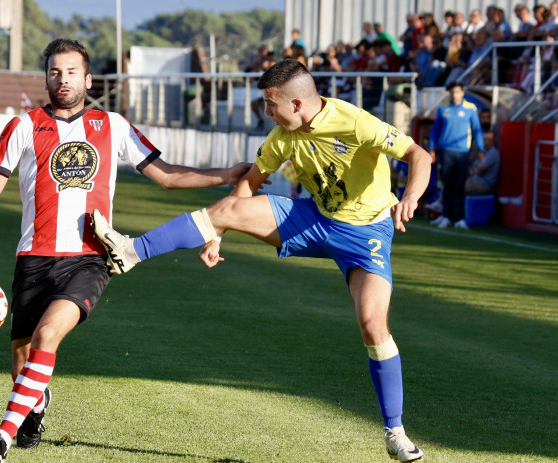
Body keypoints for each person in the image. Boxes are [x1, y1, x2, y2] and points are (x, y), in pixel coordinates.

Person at [93, 58, 431, 463]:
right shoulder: (281, 138)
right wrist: (217, 233)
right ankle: (130, 252)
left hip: (368, 236)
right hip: (315, 220)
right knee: (223, 209)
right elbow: (247, 185)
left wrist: (410, 196)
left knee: (373, 326)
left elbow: (419, 155)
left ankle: (395, 433)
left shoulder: (356, 122)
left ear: (299, 104)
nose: (266, 112)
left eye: (271, 104)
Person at [0, 39, 250, 463]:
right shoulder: (22, 126)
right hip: (32, 259)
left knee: (47, 336)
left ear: (88, 79)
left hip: (90, 258)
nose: (63, 79)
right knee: (22, 367)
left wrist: (226, 175)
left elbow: (166, 176)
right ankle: (35, 403)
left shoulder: (113, 125)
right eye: (55, 72)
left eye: (71, 72)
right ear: (47, 78)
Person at [428, 81, 484, 229]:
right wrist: (432, 148)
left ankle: (460, 218)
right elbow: (435, 130)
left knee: (460, 185)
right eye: (452, 92)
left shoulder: (471, 109)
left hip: (462, 152)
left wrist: (481, 150)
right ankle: (446, 216)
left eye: (457, 91)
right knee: (447, 184)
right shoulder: (443, 109)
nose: (455, 94)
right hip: (446, 151)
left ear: (462, 93)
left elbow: (477, 130)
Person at [465, 129, 500, 195]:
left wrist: (470, 172)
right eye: (485, 139)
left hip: (484, 183)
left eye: (489, 139)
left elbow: (480, 170)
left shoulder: (493, 153)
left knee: (458, 185)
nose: (486, 142)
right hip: (477, 180)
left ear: (493, 140)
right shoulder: (485, 152)